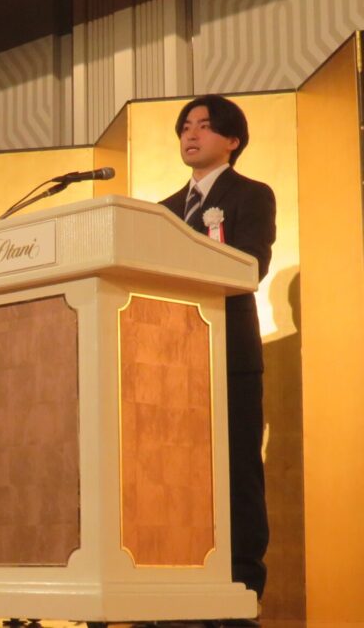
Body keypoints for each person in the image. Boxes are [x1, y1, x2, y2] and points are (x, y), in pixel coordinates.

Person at [160, 95, 276, 601]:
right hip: (168, 361)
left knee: (237, 471)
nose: (191, 134)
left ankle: (242, 586)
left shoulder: (252, 194)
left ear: (232, 139)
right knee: (173, 473)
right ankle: (176, 583)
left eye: (204, 126)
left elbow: (250, 266)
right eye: (186, 126)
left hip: (228, 355)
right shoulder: (162, 212)